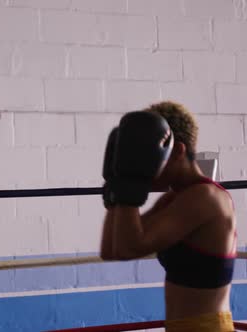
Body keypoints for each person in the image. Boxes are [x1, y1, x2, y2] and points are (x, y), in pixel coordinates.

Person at [100, 101, 236, 332]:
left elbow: (128, 248)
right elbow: (113, 249)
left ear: (178, 151)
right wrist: (116, 186)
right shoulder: (173, 199)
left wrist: (130, 183)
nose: (146, 164)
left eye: (149, 155)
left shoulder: (204, 197)